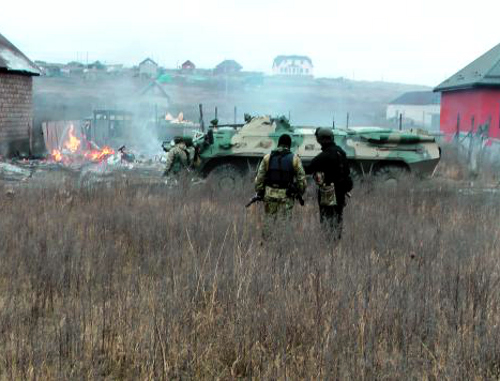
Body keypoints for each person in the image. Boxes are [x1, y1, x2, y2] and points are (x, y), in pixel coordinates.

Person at [309, 127, 353, 239]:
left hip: (329, 193)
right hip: (341, 192)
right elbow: (347, 171)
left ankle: (329, 243)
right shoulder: (341, 152)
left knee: (327, 219)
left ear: (320, 140)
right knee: (338, 218)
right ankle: (336, 242)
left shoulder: (325, 155)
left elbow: (309, 168)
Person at [254, 134, 307, 220]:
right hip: (286, 196)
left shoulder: (267, 158)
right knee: (285, 225)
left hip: (269, 195)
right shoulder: (295, 159)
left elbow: (259, 178)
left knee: (268, 223)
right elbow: (302, 180)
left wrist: (260, 191)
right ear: (289, 146)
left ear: (278, 144)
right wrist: (299, 192)